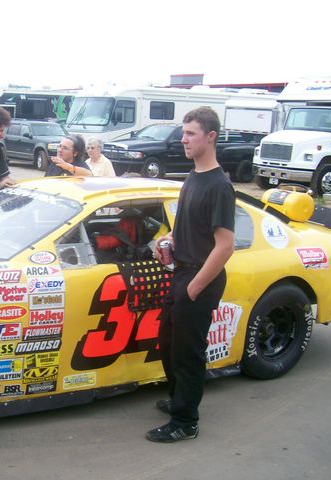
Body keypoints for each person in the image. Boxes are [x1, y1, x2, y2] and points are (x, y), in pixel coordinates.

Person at [147, 107, 235, 443]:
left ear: (210, 137)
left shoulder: (219, 185)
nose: (183, 139)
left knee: (188, 353)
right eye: (183, 133)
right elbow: (187, 228)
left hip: (200, 278)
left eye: (190, 134)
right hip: (181, 273)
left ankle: (186, 422)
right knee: (169, 344)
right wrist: (167, 240)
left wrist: (195, 288)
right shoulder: (193, 177)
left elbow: (225, 246)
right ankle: (177, 400)